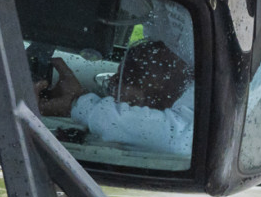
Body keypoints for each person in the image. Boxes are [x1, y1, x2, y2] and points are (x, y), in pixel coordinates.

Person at [36, 40, 194, 155]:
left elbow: (174, 140)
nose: (111, 81)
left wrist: (76, 103)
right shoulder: (110, 134)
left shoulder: (170, 139)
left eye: (125, 78)